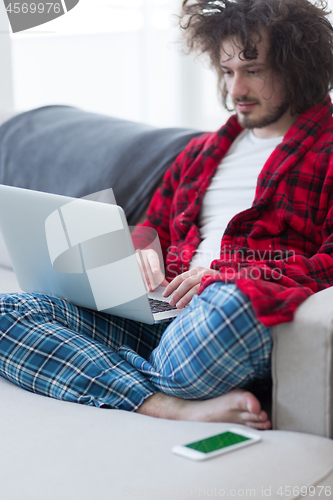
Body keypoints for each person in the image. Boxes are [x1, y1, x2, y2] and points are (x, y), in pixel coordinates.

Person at [1, 0, 333, 430]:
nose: (236, 91)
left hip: (229, 311)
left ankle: (101, 371)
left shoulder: (325, 153)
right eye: (227, 71)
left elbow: (328, 262)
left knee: (228, 303)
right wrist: (141, 252)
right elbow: (151, 228)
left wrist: (226, 275)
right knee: (7, 314)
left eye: (253, 70)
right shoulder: (201, 155)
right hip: (160, 312)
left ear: (297, 67)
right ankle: (167, 403)